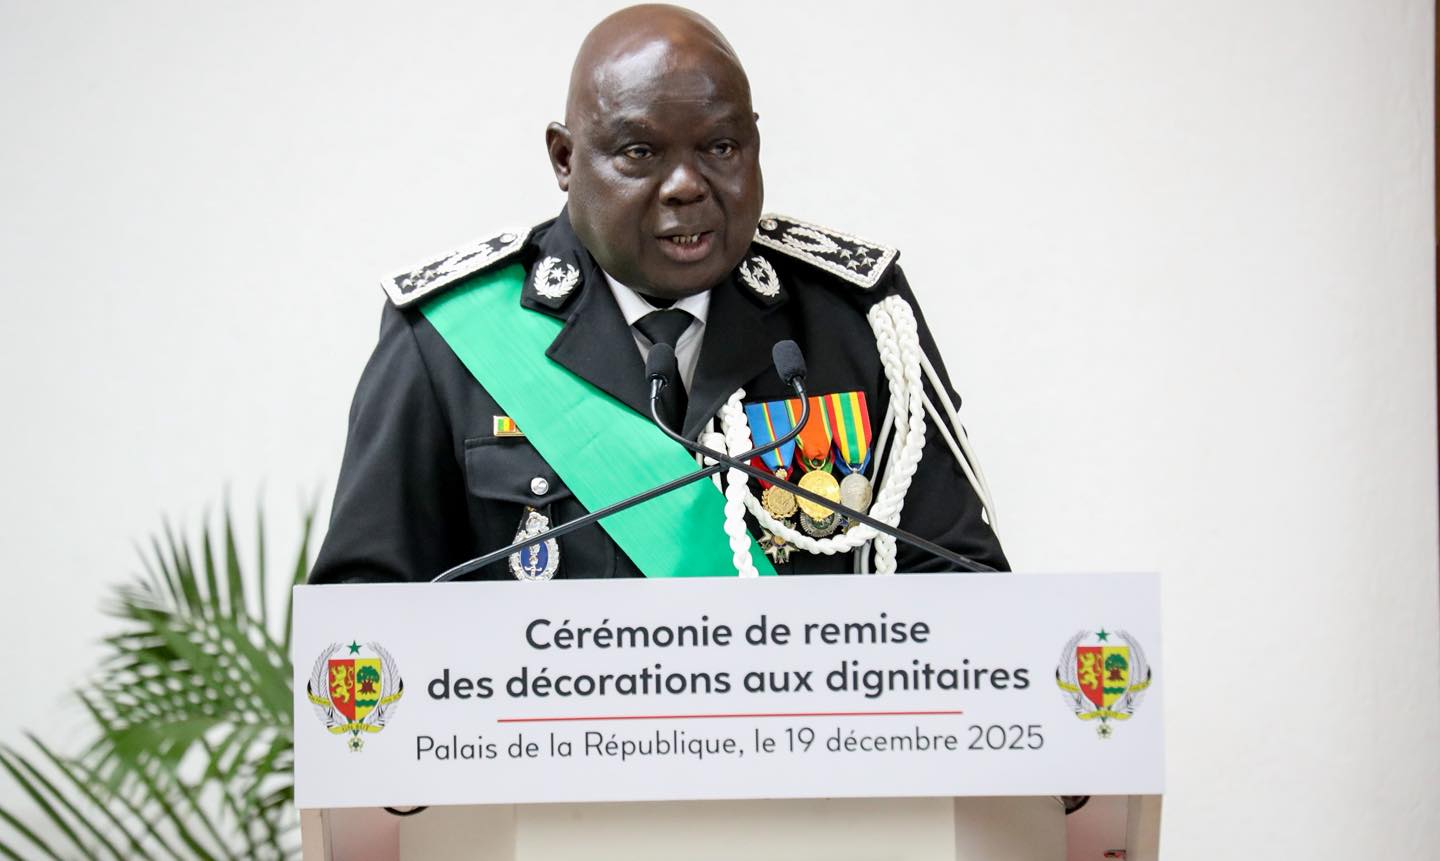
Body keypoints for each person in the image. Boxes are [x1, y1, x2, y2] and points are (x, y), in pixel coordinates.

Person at [309, 4, 1006, 585]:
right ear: (564, 158)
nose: (686, 186)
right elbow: (363, 625)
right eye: (640, 153)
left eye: (721, 147)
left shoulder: (857, 317)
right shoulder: (448, 341)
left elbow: (961, 585)